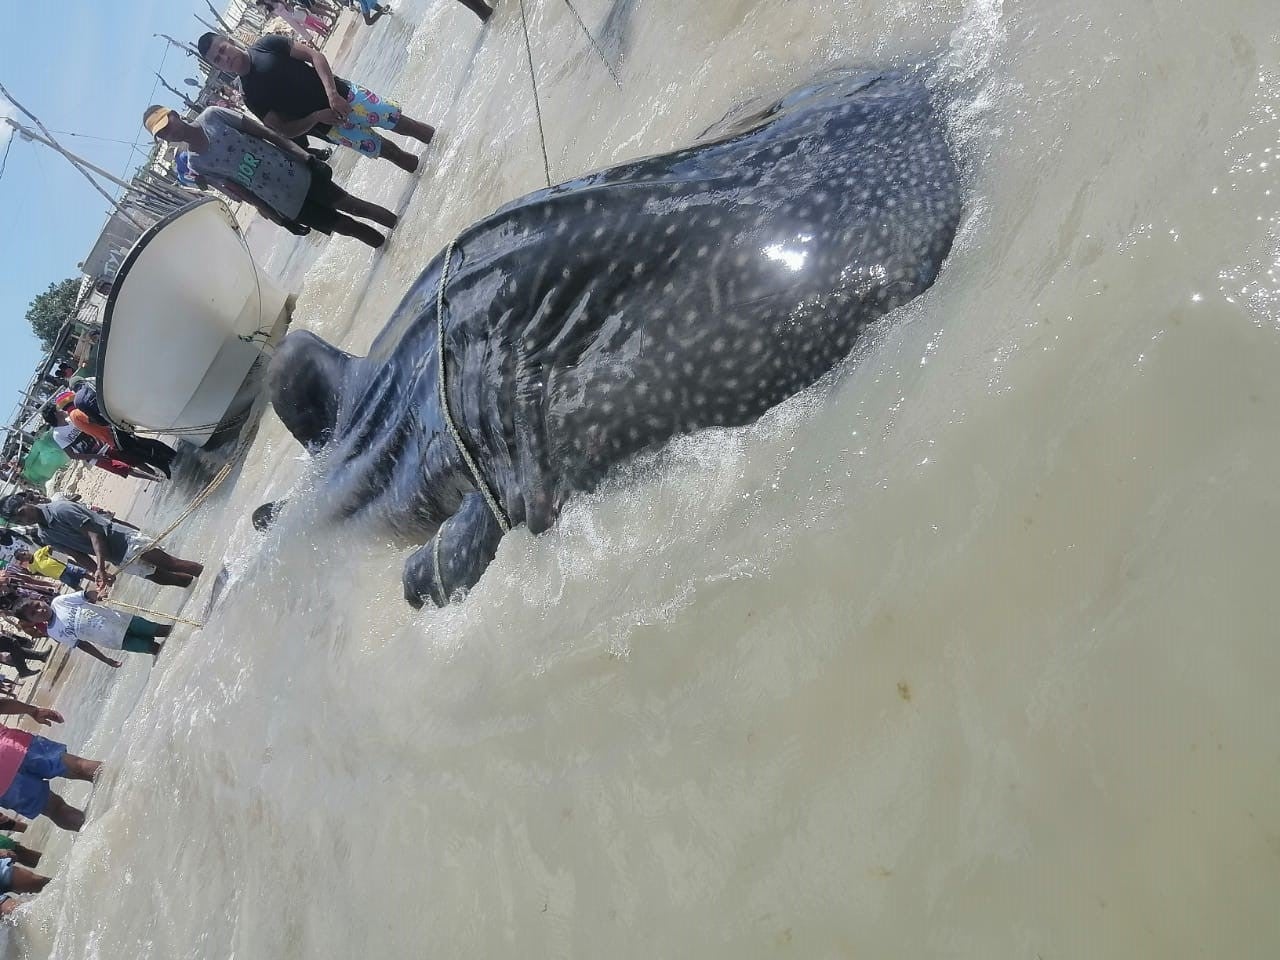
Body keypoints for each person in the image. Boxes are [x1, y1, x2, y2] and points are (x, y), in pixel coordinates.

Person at [144, 105, 399, 249]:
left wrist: (304, 156)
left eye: (168, 124)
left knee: (353, 205)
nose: (169, 132)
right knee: (346, 228)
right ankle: (393, 251)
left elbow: (266, 133)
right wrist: (278, 218)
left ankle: (401, 231)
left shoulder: (213, 116)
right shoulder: (196, 163)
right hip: (286, 203)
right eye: (163, 134)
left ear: (176, 115)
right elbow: (241, 191)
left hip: (297, 173)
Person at [197, 32, 434, 172]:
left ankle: (442, 146)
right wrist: (315, 118)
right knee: (389, 152)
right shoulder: (250, 96)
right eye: (217, 58)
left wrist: (332, 93)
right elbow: (283, 130)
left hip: (347, 96)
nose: (225, 57)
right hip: (331, 127)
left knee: (403, 124)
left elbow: (314, 56)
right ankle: (430, 177)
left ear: (228, 41)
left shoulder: (266, 45)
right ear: (217, 66)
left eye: (222, 49)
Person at [0, 494, 204, 590]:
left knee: (170, 563)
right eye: (19, 521)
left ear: (26, 502)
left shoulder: (60, 509)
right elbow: (78, 555)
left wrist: (100, 567)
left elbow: (95, 535)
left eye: (22, 513)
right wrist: (97, 574)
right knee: (160, 578)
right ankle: (199, 590)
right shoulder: (45, 536)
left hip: (123, 541)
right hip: (115, 557)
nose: (25, 519)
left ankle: (209, 575)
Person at [0, 698, 99, 833]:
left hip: (3, 786)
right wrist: (33, 710)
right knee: (80, 767)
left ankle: (99, 831)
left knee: (55, 809)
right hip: (11, 747)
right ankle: (132, 788)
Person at [16, 592, 172, 666]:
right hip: (116, 641)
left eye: (37, 605)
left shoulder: (60, 602)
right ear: (31, 622)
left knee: (162, 631)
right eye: (33, 614)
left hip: (123, 621)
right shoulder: (54, 632)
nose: (39, 611)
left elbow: (86, 594)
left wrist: (97, 594)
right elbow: (83, 645)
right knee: (153, 648)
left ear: (39, 600)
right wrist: (105, 659)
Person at [14, 546, 88, 590]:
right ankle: (86, 595)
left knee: (82, 573)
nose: (25, 557)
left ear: (26, 551)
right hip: (59, 576)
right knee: (73, 585)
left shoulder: (38, 553)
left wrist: (55, 556)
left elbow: (49, 547)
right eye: (22, 558)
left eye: (24, 554)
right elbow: (33, 573)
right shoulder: (31, 567)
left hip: (64, 567)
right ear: (22, 561)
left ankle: (97, 580)